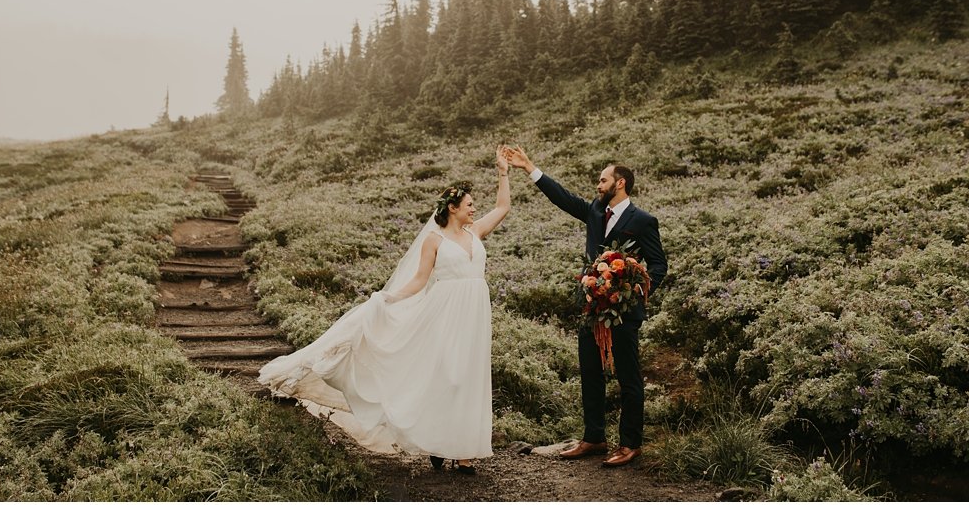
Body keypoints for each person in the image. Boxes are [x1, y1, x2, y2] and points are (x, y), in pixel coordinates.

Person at [259, 150, 513, 474]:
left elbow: (503, 207)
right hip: (444, 313)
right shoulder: (434, 241)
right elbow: (420, 280)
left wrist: (503, 172)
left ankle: (463, 452)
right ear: (453, 208)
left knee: (469, 376)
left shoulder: (475, 232)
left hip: (475, 313)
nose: (474, 208)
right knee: (446, 376)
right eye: (469, 204)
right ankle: (438, 443)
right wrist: (387, 299)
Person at [500, 145, 668, 468]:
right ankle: (595, 437)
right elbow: (562, 197)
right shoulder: (594, 211)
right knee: (590, 372)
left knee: (629, 378)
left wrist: (635, 291)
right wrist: (529, 168)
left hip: (623, 313)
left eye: (603, 180)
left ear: (620, 183)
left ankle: (631, 444)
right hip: (591, 309)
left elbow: (659, 265)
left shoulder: (643, 221)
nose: (598, 185)